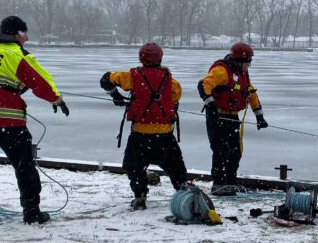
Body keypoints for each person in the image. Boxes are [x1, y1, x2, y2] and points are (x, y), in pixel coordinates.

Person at [0, 15, 69, 224]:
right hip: (8, 120)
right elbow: (39, 82)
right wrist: (56, 100)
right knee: (24, 165)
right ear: (17, 34)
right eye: (25, 34)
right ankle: (32, 212)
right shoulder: (17, 54)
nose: (27, 38)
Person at [100, 42, 190, 210]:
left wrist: (116, 96)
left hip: (140, 134)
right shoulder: (171, 81)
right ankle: (182, 190)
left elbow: (105, 79)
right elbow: (175, 98)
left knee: (133, 167)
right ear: (160, 58)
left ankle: (140, 196)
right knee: (175, 166)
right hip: (164, 136)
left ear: (141, 58)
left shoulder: (131, 76)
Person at [197, 41, 268, 194]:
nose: (249, 66)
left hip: (232, 117)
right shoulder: (222, 71)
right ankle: (219, 184)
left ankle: (230, 181)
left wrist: (259, 116)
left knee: (235, 152)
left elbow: (250, 92)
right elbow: (203, 85)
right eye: (248, 63)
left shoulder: (242, 73)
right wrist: (210, 104)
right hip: (218, 117)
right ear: (240, 60)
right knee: (221, 151)